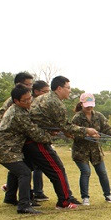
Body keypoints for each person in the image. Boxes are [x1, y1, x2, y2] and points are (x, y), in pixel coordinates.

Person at [24, 76, 100, 209]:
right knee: (57, 169)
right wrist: (87, 130)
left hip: (30, 138)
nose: (70, 91)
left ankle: (16, 197)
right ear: (59, 88)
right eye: (68, 88)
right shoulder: (56, 103)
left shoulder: (44, 98)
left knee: (27, 169)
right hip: (36, 139)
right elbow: (66, 126)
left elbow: (47, 121)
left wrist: (60, 130)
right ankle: (64, 202)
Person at [0, 84, 52, 214]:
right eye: (25, 100)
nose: (29, 102)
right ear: (16, 101)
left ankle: (10, 197)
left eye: (30, 98)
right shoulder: (18, 113)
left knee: (17, 171)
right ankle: (24, 205)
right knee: (24, 172)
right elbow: (34, 132)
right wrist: (50, 136)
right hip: (4, 149)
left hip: (10, 149)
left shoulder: (21, 109)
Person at [71, 93, 111, 205]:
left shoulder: (99, 116)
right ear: (81, 104)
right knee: (86, 172)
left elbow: (107, 129)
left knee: (102, 172)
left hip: (95, 151)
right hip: (80, 151)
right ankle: (85, 197)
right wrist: (88, 135)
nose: (89, 107)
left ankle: (108, 195)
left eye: (91, 105)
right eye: (87, 105)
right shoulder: (77, 118)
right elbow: (72, 133)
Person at [31, 80, 51, 202]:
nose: (47, 95)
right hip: (31, 141)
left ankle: (38, 192)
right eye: (45, 92)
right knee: (26, 169)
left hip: (40, 139)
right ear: (36, 91)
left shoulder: (44, 104)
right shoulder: (31, 103)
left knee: (37, 167)